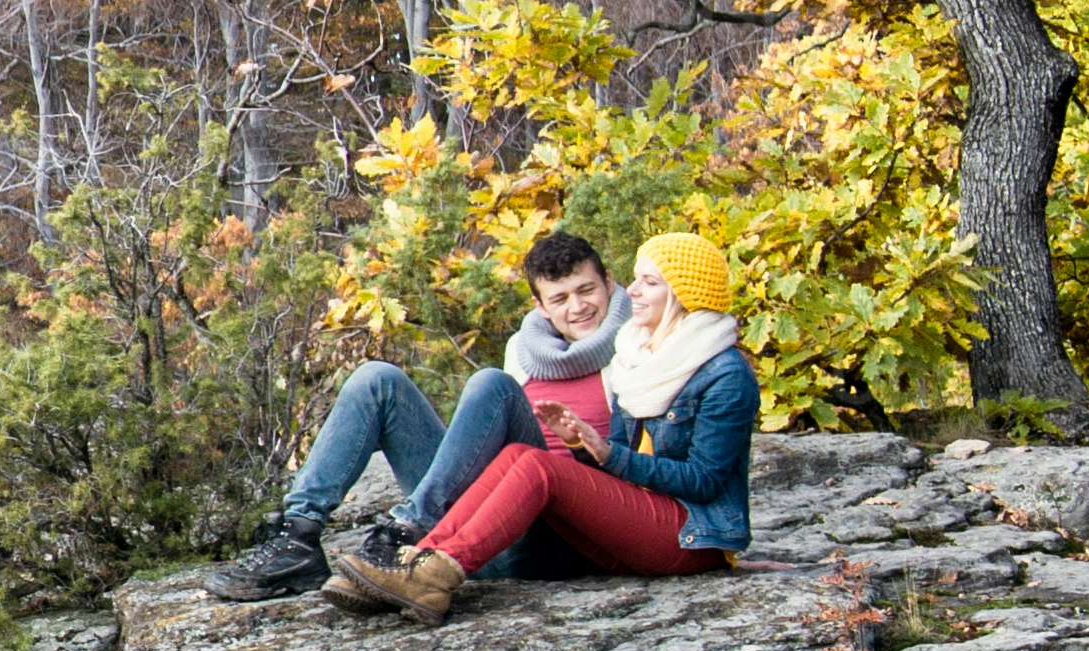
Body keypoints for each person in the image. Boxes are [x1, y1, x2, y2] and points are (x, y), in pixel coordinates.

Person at [337, 230, 756, 618]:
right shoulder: (641, 354)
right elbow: (618, 455)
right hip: (640, 515)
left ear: (683, 294)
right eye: (638, 279)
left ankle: (436, 577)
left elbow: (705, 481)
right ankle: (417, 563)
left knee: (539, 466)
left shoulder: (725, 374)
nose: (636, 291)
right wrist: (581, 445)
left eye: (651, 282)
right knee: (521, 455)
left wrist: (608, 455)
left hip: (691, 535)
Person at [201, 233, 620, 604]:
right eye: (560, 298)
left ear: (610, 285)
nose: (578, 307)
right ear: (541, 307)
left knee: (492, 385)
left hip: (556, 533)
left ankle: (409, 531)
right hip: (480, 526)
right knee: (375, 379)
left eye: (587, 291)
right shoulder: (525, 352)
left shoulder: (635, 348)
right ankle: (298, 537)